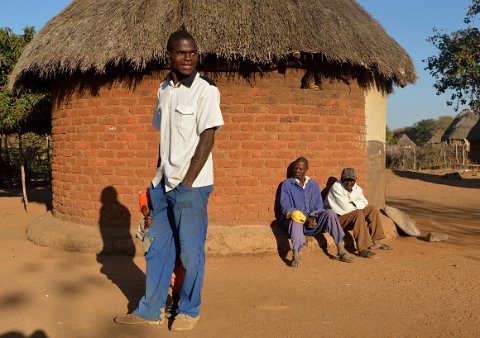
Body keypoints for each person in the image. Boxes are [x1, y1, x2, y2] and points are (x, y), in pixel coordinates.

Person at [115, 30, 223, 331]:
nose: (187, 57)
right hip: (162, 185)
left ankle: (189, 309)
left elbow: (207, 138)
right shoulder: (164, 89)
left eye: (192, 52)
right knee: (156, 248)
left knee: (189, 252)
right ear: (169, 55)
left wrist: (187, 182)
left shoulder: (206, 90)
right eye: (181, 52)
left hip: (192, 187)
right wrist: (155, 181)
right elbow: (165, 139)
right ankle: (150, 309)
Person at [280, 157, 354, 266]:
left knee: (330, 213)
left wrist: (313, 217)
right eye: (295, 168)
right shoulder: (287, 184)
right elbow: (286, 207)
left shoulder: (313, 184)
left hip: (312, 223)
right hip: (297, 222)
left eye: (300, 168)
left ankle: (341, 250)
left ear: (306, 169)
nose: (297, 170)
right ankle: (296, 256)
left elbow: (319, 205)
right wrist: (305, 219)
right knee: (295, 218)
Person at [325, 168, 392, 258]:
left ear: (355, 180)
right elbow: (346, 209)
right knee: (358, 213)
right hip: (336, 221)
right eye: (346, 180)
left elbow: (364, 202)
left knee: (372, 209)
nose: (349, 183)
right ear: (341, 179)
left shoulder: (356, 188)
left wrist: (353, 203)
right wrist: (356, 204)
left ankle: (375, 242)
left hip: (350, 216)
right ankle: (362, 249)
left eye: (351, 180)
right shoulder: (336, 188)